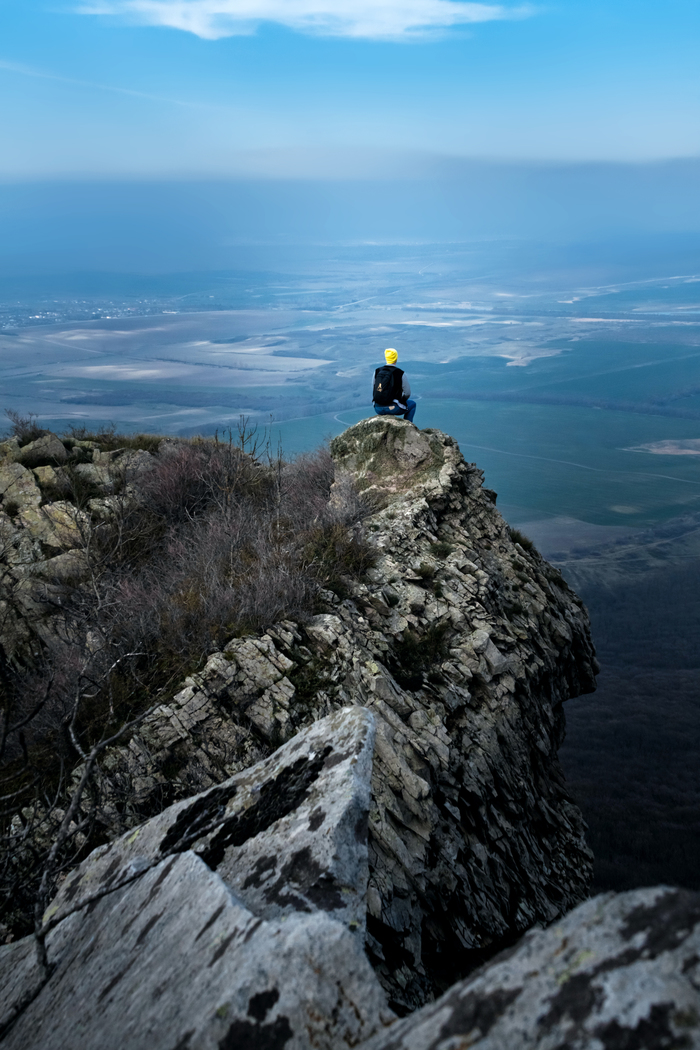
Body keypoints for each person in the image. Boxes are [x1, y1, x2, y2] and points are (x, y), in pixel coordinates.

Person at [372, 348, 417, 423]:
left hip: (377, 408)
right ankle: (408, 426)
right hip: (393, 408)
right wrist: (402, 400)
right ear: (396, 358)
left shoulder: (377, 371)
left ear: (386, 357)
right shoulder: (400, 373)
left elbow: (374, 389)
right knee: (412, 404)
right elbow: (407, 393)